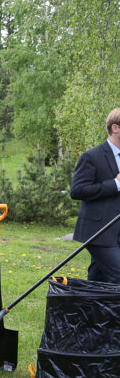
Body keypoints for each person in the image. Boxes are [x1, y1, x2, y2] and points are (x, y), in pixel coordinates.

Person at [70, 108, 120, 283]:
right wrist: (116, 184)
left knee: (98, 278)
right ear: (115, 128)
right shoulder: (92, 156)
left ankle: (91, 310)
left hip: (118, 232)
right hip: (99, 232)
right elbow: (77, 190)